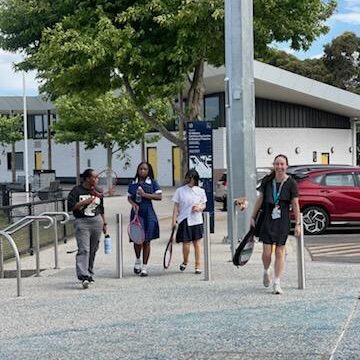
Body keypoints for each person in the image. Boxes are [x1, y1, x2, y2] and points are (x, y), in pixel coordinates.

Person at [250, 154, 301, 294]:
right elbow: (260, 199)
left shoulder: (291, 183)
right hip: (267, 218)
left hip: (282, 220)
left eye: (282, 164)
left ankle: (277, 282)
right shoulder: (267, 180)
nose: (279, 167)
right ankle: (267, 270)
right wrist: (253, 216)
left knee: (280, 251)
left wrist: (298, 223)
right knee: (267, 252)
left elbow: (295, 204)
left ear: (286, 166)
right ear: (274, 165)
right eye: (277, 164)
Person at [67, 169, 107, 289]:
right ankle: (83, 275)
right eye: (94, 177)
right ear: (87, 178)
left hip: (96, 221)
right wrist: (85, 202)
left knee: (93, 249)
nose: (96, 179)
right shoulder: (76, 191)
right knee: (84, 248)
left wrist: (104, 223)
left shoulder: (98, 191)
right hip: (82, 222)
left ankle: (89, 272)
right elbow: (70, 207)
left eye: (97, 178)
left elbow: (101, 208)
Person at [127, 162, 162, 277]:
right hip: (137, 212)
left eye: (145, 169)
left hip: (148, 212)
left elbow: (159, 197)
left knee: (147, 240)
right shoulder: (133, 182)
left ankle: (145, 267)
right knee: (137, 239)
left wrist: (145, 194)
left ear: (149, 171)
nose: (142, 171)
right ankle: (138, 260)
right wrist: (133, 204)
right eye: (140, 169)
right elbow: (129, 197)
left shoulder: (152, 182)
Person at [172, 169, 207, 274]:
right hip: (184, 219)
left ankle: (198, 265)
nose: (188, 180)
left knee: (197, 243)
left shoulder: (200, 191)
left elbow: (204, 205)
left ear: (195, 179)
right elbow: (176, 206)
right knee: (186, 243)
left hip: (196, 219)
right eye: (187, 177)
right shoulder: (180, 191)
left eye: (191, 178)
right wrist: (174, 220)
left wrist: (199, 208)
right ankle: (185, 261)